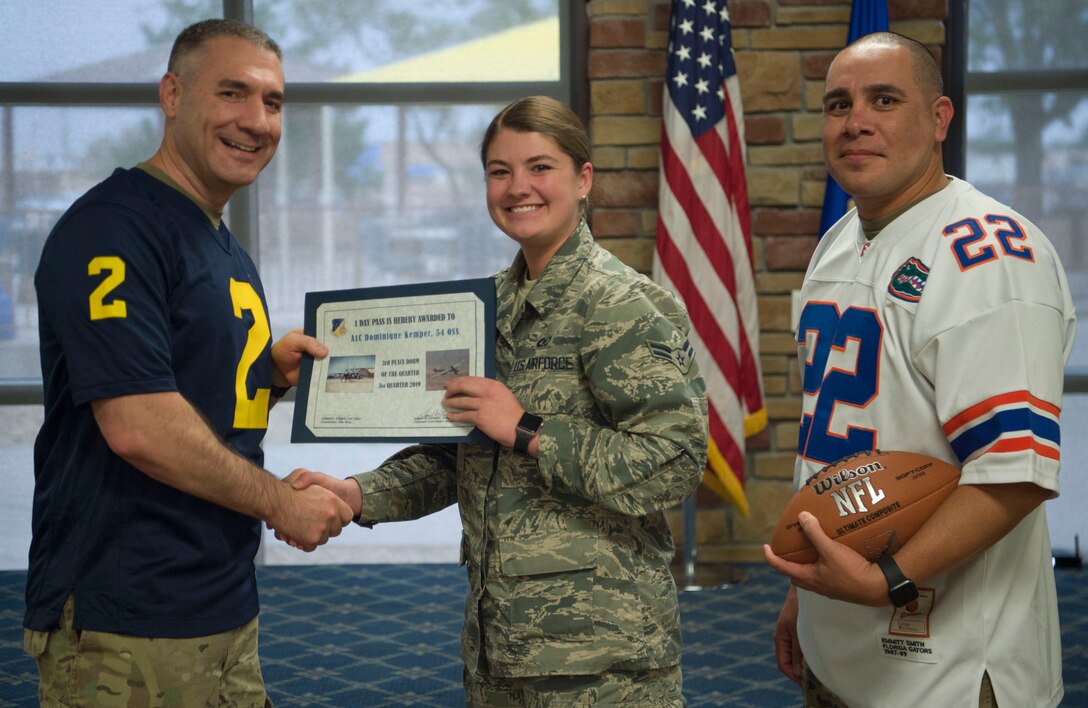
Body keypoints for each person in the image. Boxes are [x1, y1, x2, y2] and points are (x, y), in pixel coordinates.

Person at [286, 96, 709, 705]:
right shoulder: (483, 310)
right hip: (500, 649)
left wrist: (530, 428)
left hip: (601, 663)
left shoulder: (620, 304)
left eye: (540, 167)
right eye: (499, 171)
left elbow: (675, 461)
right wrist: (357, 495)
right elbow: (458, 455)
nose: (518, 188)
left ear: (583, 178)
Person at [25, 19, 355, 706]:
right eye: (232, 93)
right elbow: (140, 424)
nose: (256, 120)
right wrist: (280, 504)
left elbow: (175, 377)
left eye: (272, 101)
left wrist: (262, 371)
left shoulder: (220, 243)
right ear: (173, 94)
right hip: (128, 615)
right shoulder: (114, 229)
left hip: (222, 599)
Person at [763, 31, 1074, 707]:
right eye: (838, 104)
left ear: (939, 119)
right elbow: (836, 445)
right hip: (843, 643)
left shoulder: (990, 253)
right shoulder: (842, 240)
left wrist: (888, 581)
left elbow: (1015, 471)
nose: (856, 122)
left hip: (947, 669)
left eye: (884, 99)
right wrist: (804, 596)